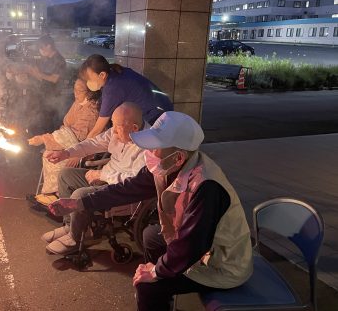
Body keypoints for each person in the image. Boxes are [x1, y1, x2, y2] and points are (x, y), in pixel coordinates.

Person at [48, 111, 253, 311]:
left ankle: (156, 291)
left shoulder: (206, 187)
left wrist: (156, 271)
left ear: (178, 156)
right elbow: (126, 190)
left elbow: (192, 245)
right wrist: (80, 204)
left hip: (220, 265)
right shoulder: (168, 165)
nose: (148, 153)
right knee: (151, 236)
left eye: (155, 147)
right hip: (199, 249)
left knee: (148, 286)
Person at [42, 102, 149, 254]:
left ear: (135, 128)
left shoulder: (147, 146)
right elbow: (94, 143)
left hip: (119, 189)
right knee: (65, 175)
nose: (113, 131)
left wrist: (102, 175)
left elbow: (133, 181)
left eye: (117, 126)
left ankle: (76, 237)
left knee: (79, 195)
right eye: (113, 124)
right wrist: (66, 153)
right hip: (104, 175)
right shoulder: (119, 131)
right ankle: (69, 225)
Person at [28, 79, 99, 205]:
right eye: (75, 89)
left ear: (89, 93)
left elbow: (76, 136)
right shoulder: (79, 103)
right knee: (49, 153)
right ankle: (51, 193)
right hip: (71, 141)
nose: (75, 93)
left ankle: (57, 193)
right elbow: (67, 125)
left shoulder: (92, 110)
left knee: (52, 155)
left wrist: (43, 138)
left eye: (79, 90)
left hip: (84, 147)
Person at [80, 54, 174, 139]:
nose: (88, 82)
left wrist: (80, 151)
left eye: (90, 79)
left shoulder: (113, 88)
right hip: (165, 108)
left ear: (102, 75)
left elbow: (98, 129)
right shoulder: (115, 71)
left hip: (156, 117)